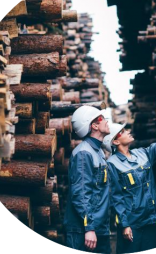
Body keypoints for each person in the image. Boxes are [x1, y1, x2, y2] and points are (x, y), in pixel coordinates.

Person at [103, 98, 156, 253]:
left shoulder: (142, 154)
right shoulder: (112, 164)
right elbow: (116, 197)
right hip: (133, 224)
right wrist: (124, 225)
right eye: (122, 131)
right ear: (115, 142)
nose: (128, 131)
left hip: (151, 220)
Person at [64, 105, 111, 253]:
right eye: (102, 118)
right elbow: (81, 194)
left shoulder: (98, 152)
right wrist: (89, 228)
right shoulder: (84, 153)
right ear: (94, 125)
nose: (106, 120)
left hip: (98, 228)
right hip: (83, 231)